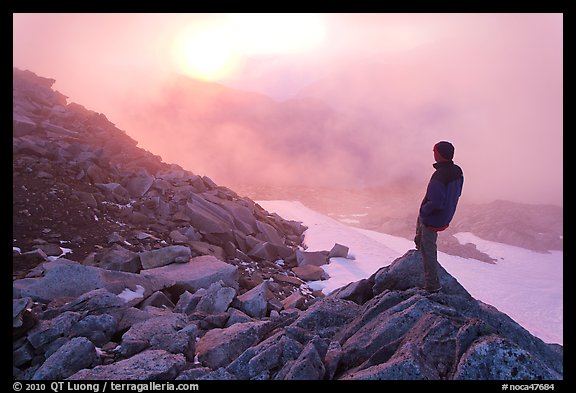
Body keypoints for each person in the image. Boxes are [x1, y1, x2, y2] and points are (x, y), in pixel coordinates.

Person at [414, 141, 464, 293]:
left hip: (433, 217)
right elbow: (457, 192)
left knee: (428, 249)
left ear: (439, 155)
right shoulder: (457, 171)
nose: (433, 153)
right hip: (445, 214)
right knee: (421, 235)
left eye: (434, 151)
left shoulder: (440, 175)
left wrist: (425, 209)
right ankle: (418, 247)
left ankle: (432, 286)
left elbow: (435, 201)